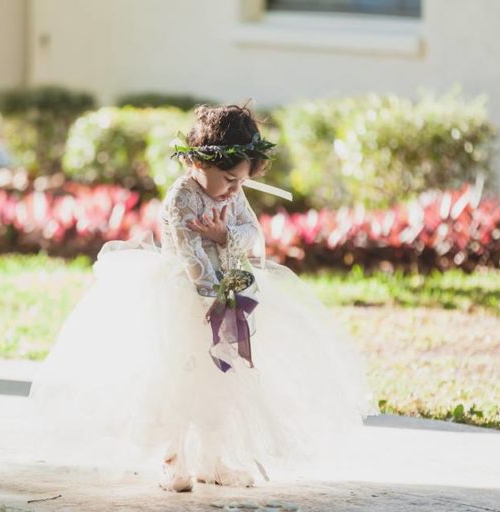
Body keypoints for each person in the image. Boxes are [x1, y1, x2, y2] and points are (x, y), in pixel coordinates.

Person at [29, 104, 376, 493]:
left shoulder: (233, 195)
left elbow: (251, 234)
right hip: (186, 299)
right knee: (180, 377)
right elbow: (191, 256)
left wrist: (225, 236)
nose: (233, 189)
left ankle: (215, 459)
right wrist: (213, 296)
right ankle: (172, 458)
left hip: (230, 289)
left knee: (224, 379)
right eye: (228, 179)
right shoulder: (182, 199)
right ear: (197, 162)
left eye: (240, 183)